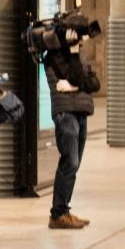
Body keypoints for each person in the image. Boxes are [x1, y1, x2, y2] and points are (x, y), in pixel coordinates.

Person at [43, 32, 94, 229]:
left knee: (75, 162)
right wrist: (79, 83)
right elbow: (64, 84)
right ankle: (58, 214)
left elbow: (92, 83)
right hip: (66, 114)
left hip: (80, 111)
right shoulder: (54, 58)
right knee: (69, 161)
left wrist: (75, 85)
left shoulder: (77, 55)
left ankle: (63, 210)